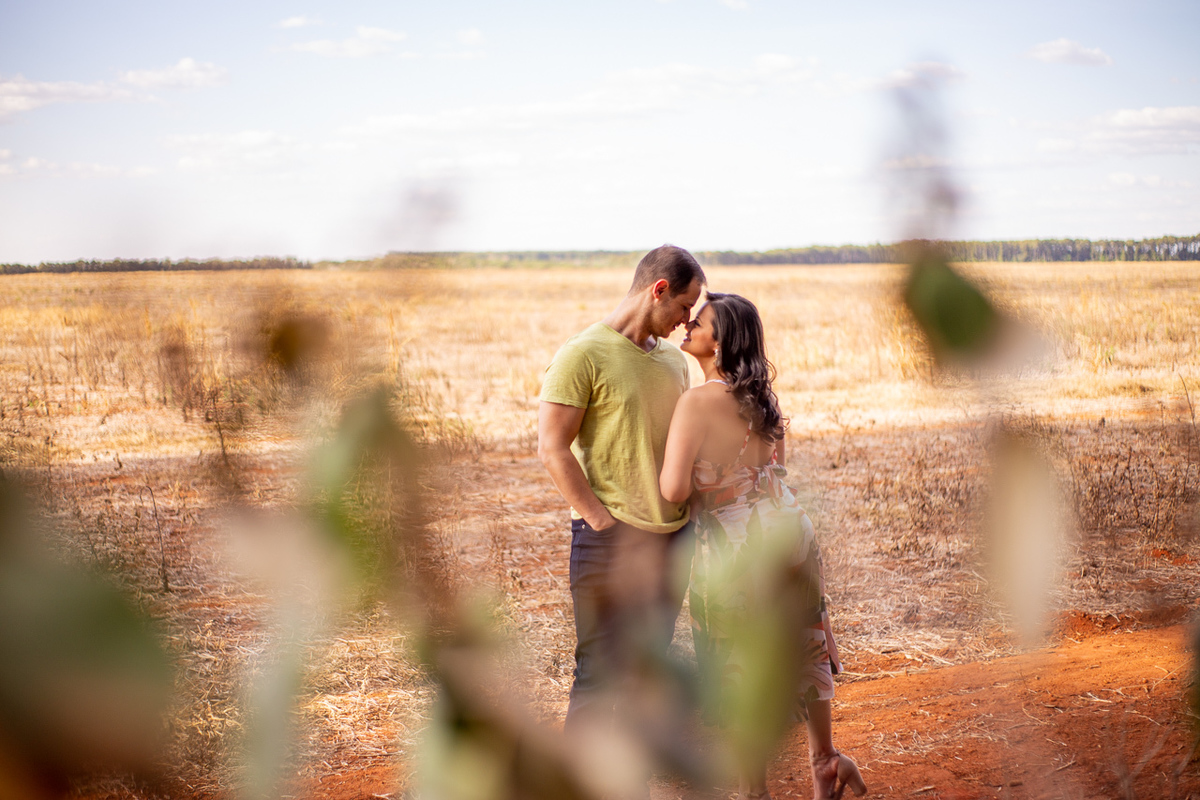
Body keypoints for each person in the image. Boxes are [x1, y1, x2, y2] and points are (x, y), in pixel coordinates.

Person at [659, 293, 866, 800]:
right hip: (789, 531)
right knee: (802, 640)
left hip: (735, 546)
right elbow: (776, 472)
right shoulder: (763, 398)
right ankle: (825, 761)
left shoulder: (696, 402)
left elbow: (674, 489)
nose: (688, 326)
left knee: (737, 658)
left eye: (699, 322)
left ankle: (754, 790)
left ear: (720, 341)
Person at [537, 244, 706, 737]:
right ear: (659, 290)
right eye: (684, 306)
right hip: (608, 540)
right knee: (597, 675)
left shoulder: (675, 361)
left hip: (672, 539)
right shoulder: (582, 354)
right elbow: (552, 448)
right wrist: (600, 522)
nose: (687, 321)